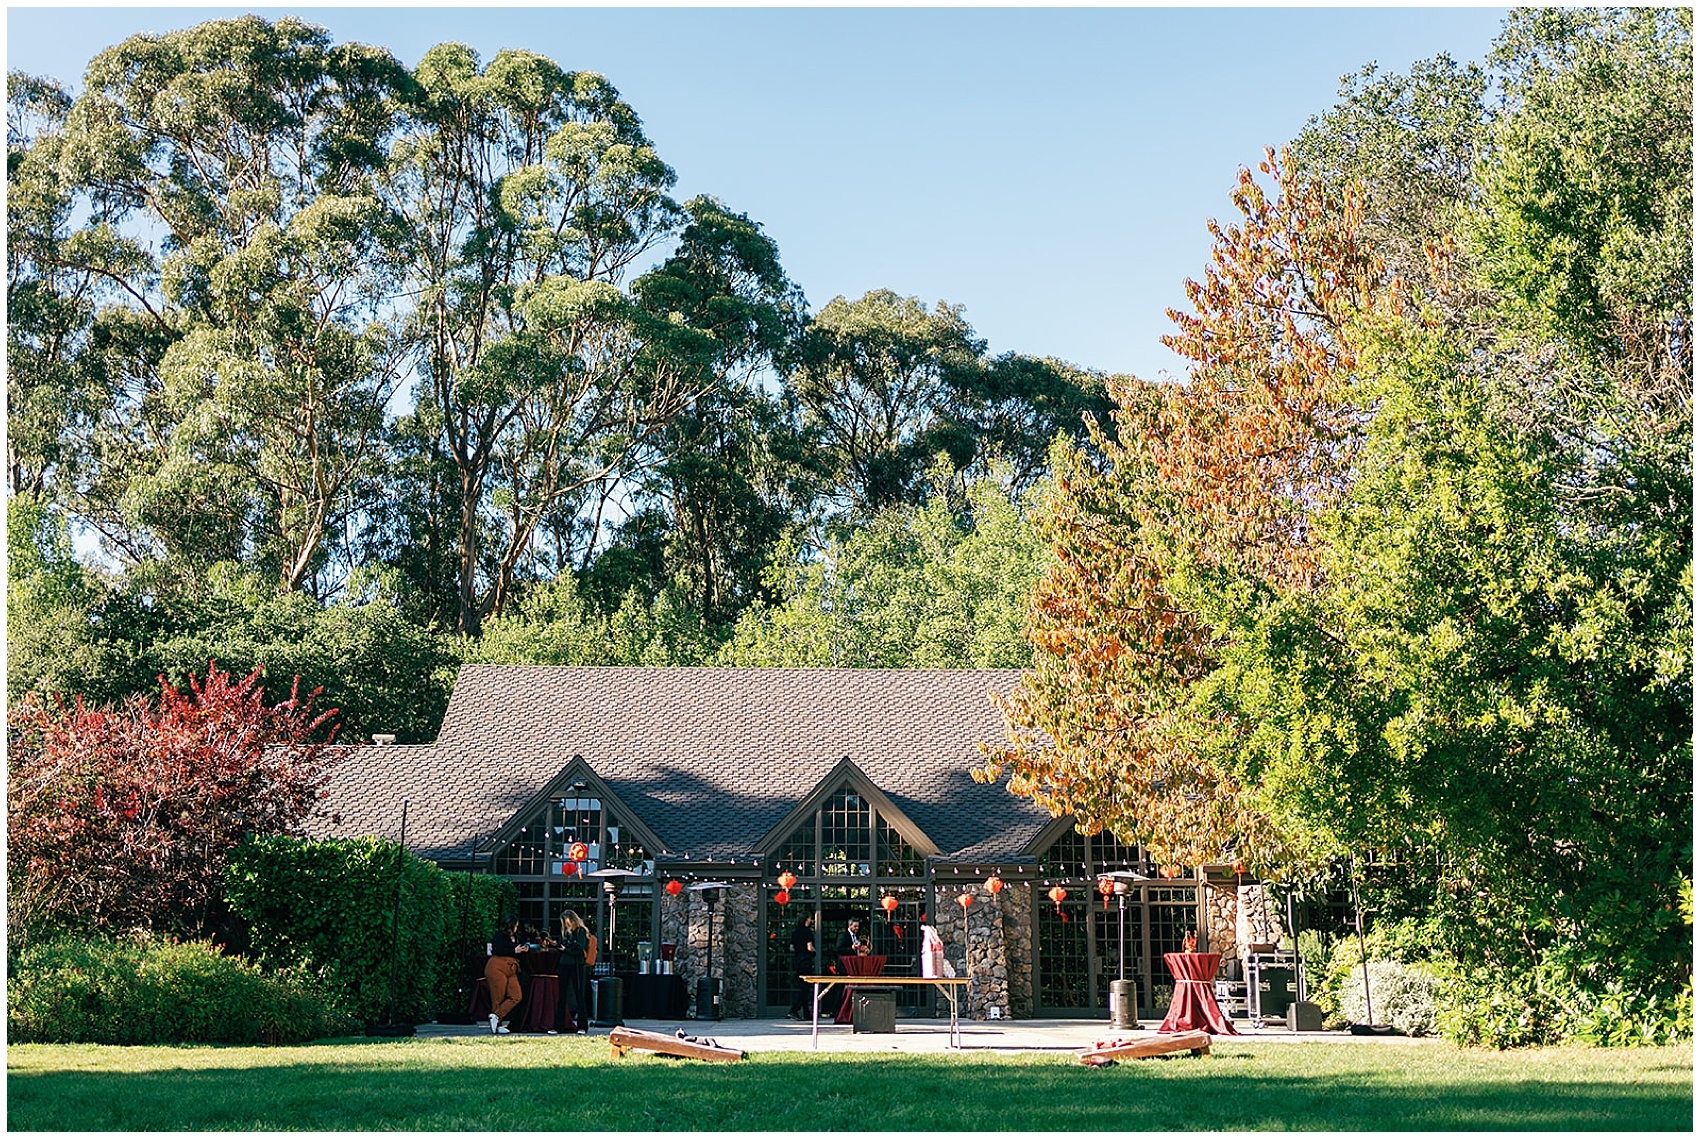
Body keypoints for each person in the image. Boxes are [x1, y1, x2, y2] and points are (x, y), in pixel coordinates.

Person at [485, 916, 526, 1034]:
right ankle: (498, 1024)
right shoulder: (499, 936)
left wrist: (523, 949)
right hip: (498, 967)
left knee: (516, 995)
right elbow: (497, 949)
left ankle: (496, 1016)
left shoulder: (516, 937)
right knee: (498, 996)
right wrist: (514, 951)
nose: (517, 928)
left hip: (511, 968)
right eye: (516, 925)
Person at [556, 910, 591, 1035]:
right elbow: (561, 944)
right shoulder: (565, 932)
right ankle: (559, 1026)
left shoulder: (580, 931)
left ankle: (582, 1026)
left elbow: (580, 947)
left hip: (576, 965)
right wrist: (567, 947)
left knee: (579, 995)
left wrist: (567, 949)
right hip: (564, 964)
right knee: (562, 995)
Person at [786, 912, 816, 1021]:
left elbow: (791, 947)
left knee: (802, 986)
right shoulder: (807, 932)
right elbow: (809, 947)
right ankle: (794, 1010)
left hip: (797, 961)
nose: (811, 921)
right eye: (809, 919)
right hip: (805, 961)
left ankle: (806, 1013)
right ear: (806, 920)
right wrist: (814, 951)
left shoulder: (795, 932)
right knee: (805, 988)